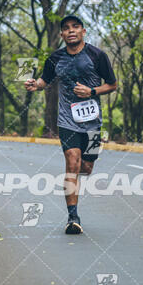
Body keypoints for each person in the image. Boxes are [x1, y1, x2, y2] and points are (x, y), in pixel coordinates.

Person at [24, 15, 117, 234]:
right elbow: (43, 82)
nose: (71, 31)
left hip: (93, 122)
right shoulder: (55, 58)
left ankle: (83, 173)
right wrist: (33, 84)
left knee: (86, 167)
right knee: (72, 163)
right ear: (62, 35)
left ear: (83, 31)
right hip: (67, 120)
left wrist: (91, 91)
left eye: (75, 27)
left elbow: (112, 85)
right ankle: (73, 217)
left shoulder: (97, 56)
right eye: (66, 28)